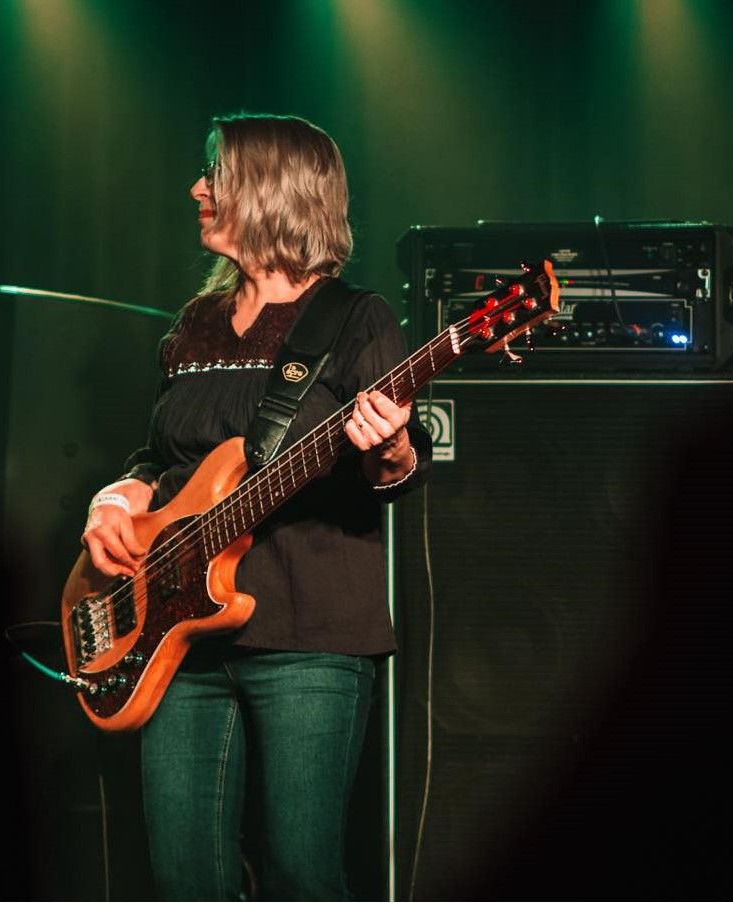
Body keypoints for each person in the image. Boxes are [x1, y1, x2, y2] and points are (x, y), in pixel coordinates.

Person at [79, 113, 432, 901]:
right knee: (183, 879)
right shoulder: (195, 324)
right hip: (177, 639)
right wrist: (115, 497)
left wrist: (391, 449)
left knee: (302, 874)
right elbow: (158, 459)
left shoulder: (355, 318)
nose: (196, 189)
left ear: (270, 190)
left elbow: (398, 468)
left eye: (215, 174)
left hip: (308, 638)